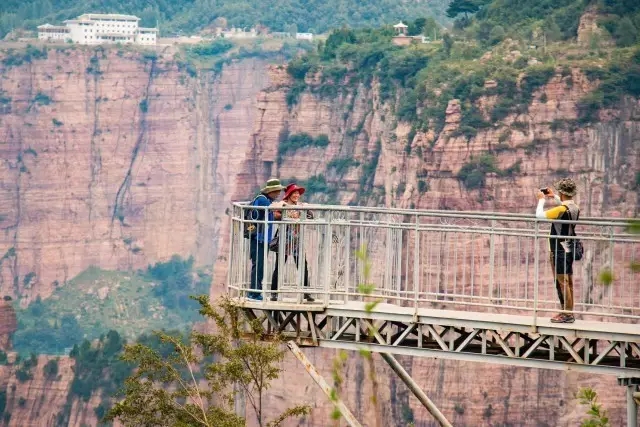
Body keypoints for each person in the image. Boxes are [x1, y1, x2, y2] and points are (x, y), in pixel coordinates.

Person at [535, 178, 580, 324]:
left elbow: (539, 216)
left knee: (561, 281)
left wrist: (541, 200)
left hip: (558, 249)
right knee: (568, 281)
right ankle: (568, 311)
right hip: (569, 246)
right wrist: (553, 196)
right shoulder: (574, 208)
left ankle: (566, 314)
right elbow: (564, 206)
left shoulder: (561, 209)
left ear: (562, 192)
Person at [270, 183, 315, 302]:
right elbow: (274, 211)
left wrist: (306, 208)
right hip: (285, 239)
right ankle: (273, 292)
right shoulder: (283, 204)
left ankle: (306, 292)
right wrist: (284, 211)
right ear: (289, 194)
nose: (296, 195)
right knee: (279, 266)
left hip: (296, 240)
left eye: (298, 193)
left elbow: (311, 216)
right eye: (294, 193)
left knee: (302, 266)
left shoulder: (300, 206)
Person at [247, 178, 284, 301]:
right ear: (271, 191)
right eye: (277, 191)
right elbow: (273, 209)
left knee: (259, 266)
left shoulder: (265, 200)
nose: (278, 193)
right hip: (258, 239)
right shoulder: (262, 200)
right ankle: (254, 293)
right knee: (258, 266)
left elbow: (273, 215)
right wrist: (284, 206)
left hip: (263, 239)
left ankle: (254, 291)